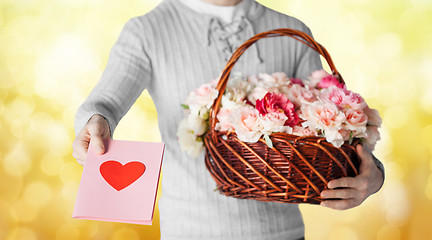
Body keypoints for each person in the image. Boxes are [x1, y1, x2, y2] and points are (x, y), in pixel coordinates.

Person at [72, 0, 385, 239]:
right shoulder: (148, 30)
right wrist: (95, 122)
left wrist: (373, 175)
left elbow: (335, 130)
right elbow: (106, 101)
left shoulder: (293, 32)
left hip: (282, 233)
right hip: (190, 232)